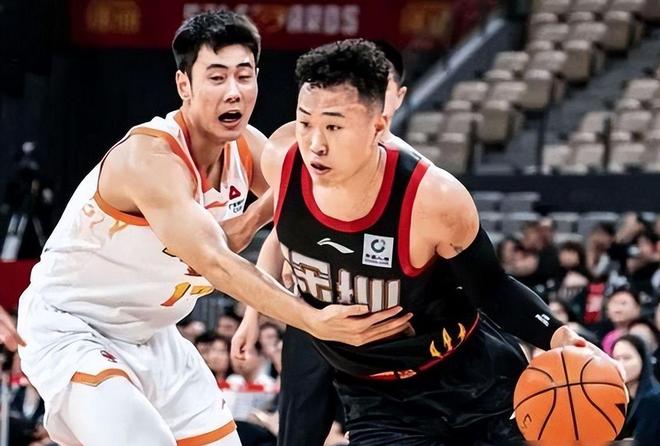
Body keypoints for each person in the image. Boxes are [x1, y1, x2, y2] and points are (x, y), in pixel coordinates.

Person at [15, 12, 411, 446]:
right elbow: (217, 261)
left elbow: (315, 199)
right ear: (184, 85)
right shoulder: (150, 159)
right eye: (217, 77)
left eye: (244, 75)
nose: (233, 91)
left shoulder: (248, 147)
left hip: (153, 335)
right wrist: (314, 320)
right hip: (72, 327)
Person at [234, 39, 617, 444]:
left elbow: (492, 288)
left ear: (378, 126)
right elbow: (286, 222)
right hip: (376, 396)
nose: (315, 143)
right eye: (305, 122)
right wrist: (250, 237)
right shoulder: (281, 158)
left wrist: (558, 334)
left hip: (468, 379)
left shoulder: (433, 199)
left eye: (333, 126)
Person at [232, 40, 416, 446]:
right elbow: (277, 238)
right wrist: (252, 317)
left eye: (379, 87)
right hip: (312, 321)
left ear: (397, 97)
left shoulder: (418, 178)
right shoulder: (310, 159)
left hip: (379, 331)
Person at [612, 334, 660, 445]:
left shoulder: (654, 399)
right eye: (616, 358)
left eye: (627, 358)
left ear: (642, 359)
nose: (621, 364)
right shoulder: (613, 399)